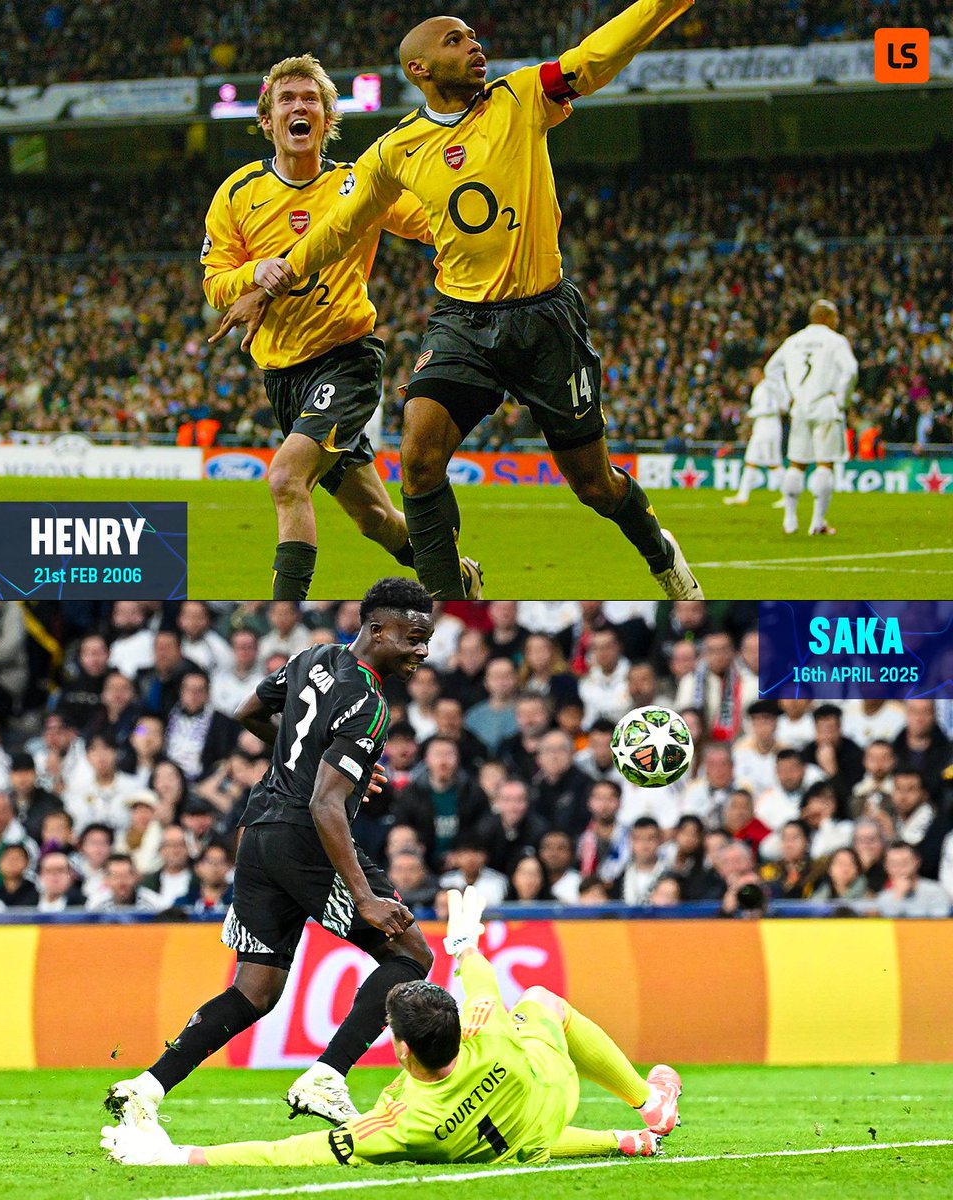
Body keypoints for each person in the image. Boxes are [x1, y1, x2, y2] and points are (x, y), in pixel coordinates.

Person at [229, 1, 702, 601]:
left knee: (594, 485)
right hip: (463, 322)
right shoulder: (395, 150)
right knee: (419, 458)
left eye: (473, 37)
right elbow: (339, 228)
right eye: (455, 40)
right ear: (420, 69)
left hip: (545, 317)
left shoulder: (522, 97)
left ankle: (661, 554)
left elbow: (596, 56)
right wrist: (268, 283)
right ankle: (446, 601)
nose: (475, 45)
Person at [105, 578, 437, 1130]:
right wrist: (364, 898)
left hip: (257, 834)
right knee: (411, 955)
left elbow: (248, 712)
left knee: (254, 990)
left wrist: (316, 761)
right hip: (305, 838)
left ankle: (146, 1087)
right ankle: (327, 1076)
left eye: (426, 639)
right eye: (413, 638)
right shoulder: (370, 703)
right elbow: (325, 804)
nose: (421, 651)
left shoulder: (312, 657)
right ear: (378, 630)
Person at [101, 887, 680, 1168]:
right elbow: (481, 983)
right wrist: (463, 945)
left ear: (401, 1051)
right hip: (550, 1094)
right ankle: (646, 1109)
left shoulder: (401, 1123)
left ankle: (625, 1133)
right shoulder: (488, 1031)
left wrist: (177, 1156)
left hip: (505, 1149)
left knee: (508, 1138)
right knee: (540, 1001)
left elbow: (288, 1152)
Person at [202, 54, 480, 600]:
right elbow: (215, 284)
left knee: (286, 478)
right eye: (287, 99)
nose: (299, 107)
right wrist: (253, 272)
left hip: (346, 360)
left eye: (311, 100)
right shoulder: (237, 193)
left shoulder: (357, 184)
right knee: (375, 519)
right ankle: (457, 578)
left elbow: (433, 223)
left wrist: (473, 200)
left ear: (328, 119)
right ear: (266, 120)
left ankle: (285, 617)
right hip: (283, 377)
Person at [764, 298, 858, 536]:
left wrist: (785, 398)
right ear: (827, 318)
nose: (837, 321)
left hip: (800, 407)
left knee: (797, 464)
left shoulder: (793, 341)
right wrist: (842, 399)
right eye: (835, 317)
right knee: (825, 464)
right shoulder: (835, 341)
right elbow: (850, 370)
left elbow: (771, 370)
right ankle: (817, 523)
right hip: (825, 405)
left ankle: (790, 520)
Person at [723, 366, 788, 505]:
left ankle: (789, 495)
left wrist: (751, 413)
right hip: (760, 428)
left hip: (769, 428)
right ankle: (742, 496)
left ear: (762, 374)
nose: (752, 376)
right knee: (750, 461)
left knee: (773, 463)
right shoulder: (760, 388)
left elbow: (772, 407)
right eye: (751, 374)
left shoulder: (768, 387)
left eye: (755, 373)